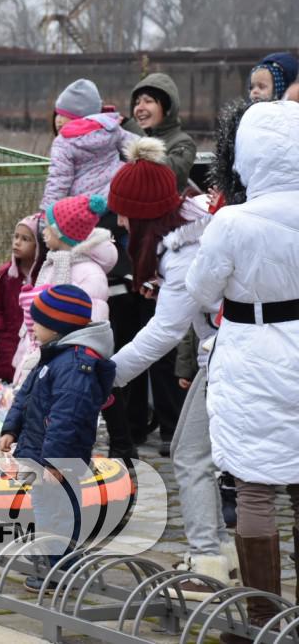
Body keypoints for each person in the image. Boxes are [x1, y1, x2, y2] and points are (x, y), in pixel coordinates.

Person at [186, 101, 299, 641]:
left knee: (254, 490)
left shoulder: (232, 221)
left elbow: (202, 291)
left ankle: (264, 623)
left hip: (253, 352)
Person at [0, 285, 115, 591]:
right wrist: (11, 428)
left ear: (57, 325)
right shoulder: (53, 357)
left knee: (63, 512)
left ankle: (64, 570)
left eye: (37, 322)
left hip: (58, 460)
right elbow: (26, 395)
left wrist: (55, 463)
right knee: (46, 510)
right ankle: (52, 565)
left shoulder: (76, 365)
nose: (32, 327)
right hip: (40, 453)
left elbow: (68, 418)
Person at [106, 138, 214, 458]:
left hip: (229, 359)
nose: (121, 223)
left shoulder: (182, 255)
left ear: (143, 214)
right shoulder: (187, 233)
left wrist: (108, 376)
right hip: (219, 355)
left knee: (193, 456)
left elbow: (165, 330)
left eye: (124, 215)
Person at [11, 194, 116, 386]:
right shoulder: (52, 264)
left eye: (49, 230)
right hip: (37, 356)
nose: (43, 234)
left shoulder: (90, 273)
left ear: (62, 234)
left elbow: (92, 321)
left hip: (63, 368)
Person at [40, 79, 137, 209]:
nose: (58, 120)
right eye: (58, 114)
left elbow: (58, 181)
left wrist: (46, 214)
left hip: (83, 209)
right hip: (116, 199)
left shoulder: (63, 143)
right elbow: (140, 147)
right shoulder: (111, 128)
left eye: (65, 115)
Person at [0, 215, 40, 383]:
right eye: (16, 237)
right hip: (8, 341)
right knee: (7, 383)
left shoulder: (44, 276)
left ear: (38, 245)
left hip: (36, 341)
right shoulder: (4, 276)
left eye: (25, 239)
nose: (17, 242)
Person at [123, 73, 196, 191]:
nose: (140, 108)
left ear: (167, 109)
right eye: (137, 103)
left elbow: (167, 173)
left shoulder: (183, 142)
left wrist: (132, 129)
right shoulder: (127, 137)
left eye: (148, 101)